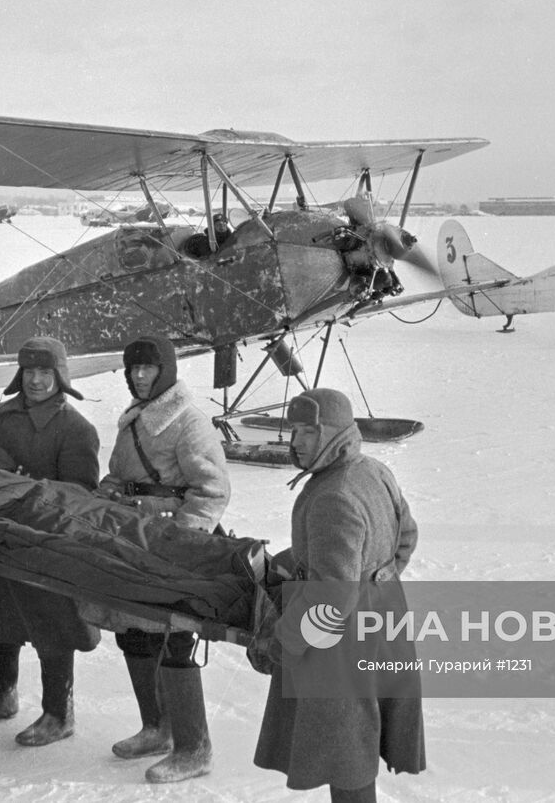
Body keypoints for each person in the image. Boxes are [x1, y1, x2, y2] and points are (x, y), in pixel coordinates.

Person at [253, 388, 424, 803]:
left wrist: (281, 643)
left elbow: (330, 599)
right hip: (384, 617)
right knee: (357, 740)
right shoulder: (372, 470)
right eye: (293, 430)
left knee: (345, 752)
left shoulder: (333, 494)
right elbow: (406, 537)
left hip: (340, 644)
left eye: (308, 432)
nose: (295, 442)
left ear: (332, 433)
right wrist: (375, 584)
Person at [0, 336, 102, 747]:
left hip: (44, 543)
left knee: (52, 623)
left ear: (61, 376)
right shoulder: (3, 414)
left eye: (45, 372)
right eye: (30, 371)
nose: (36, 381)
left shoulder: (76, 429)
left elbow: (81, 496)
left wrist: (32, 491)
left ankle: (58, 712)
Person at [96, 334, 230, 783]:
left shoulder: (188, 421)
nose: (138, 376)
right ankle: (157, 728)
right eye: (132, 368)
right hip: (134, 537)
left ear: (166, 370)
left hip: (172, 543)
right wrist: (110, 490)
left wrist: (182, 540)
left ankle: (194, 747)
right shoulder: (132, 420)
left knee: (175, 637)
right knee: (135, 633)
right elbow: (120, 474)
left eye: (147, 368)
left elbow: (211, 491)